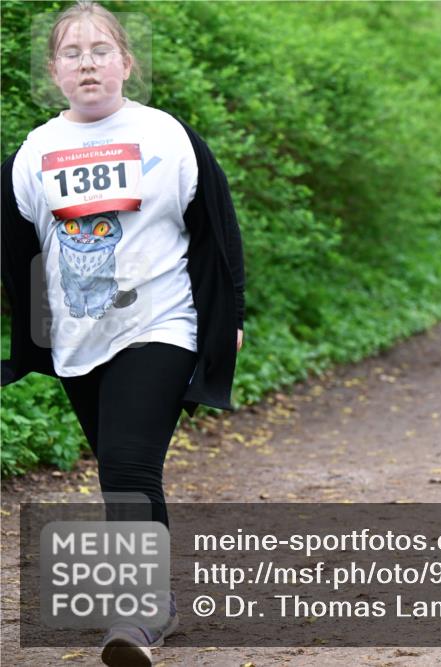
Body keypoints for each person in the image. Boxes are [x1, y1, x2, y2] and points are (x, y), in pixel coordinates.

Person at [0, 2, 245, 664]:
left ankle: (134, 615)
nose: (87, 61)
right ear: (53, 70)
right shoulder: (34, 153)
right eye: (72, 51)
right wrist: (31, 342)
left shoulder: (167, 137)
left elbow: (216, 236)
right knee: (128, 474)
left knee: (127, 465)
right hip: (80, 339)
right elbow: (18, 255)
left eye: (101, 49)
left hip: (160, 324)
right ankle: (158, 600)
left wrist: (227, 324)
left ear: (126, 62)